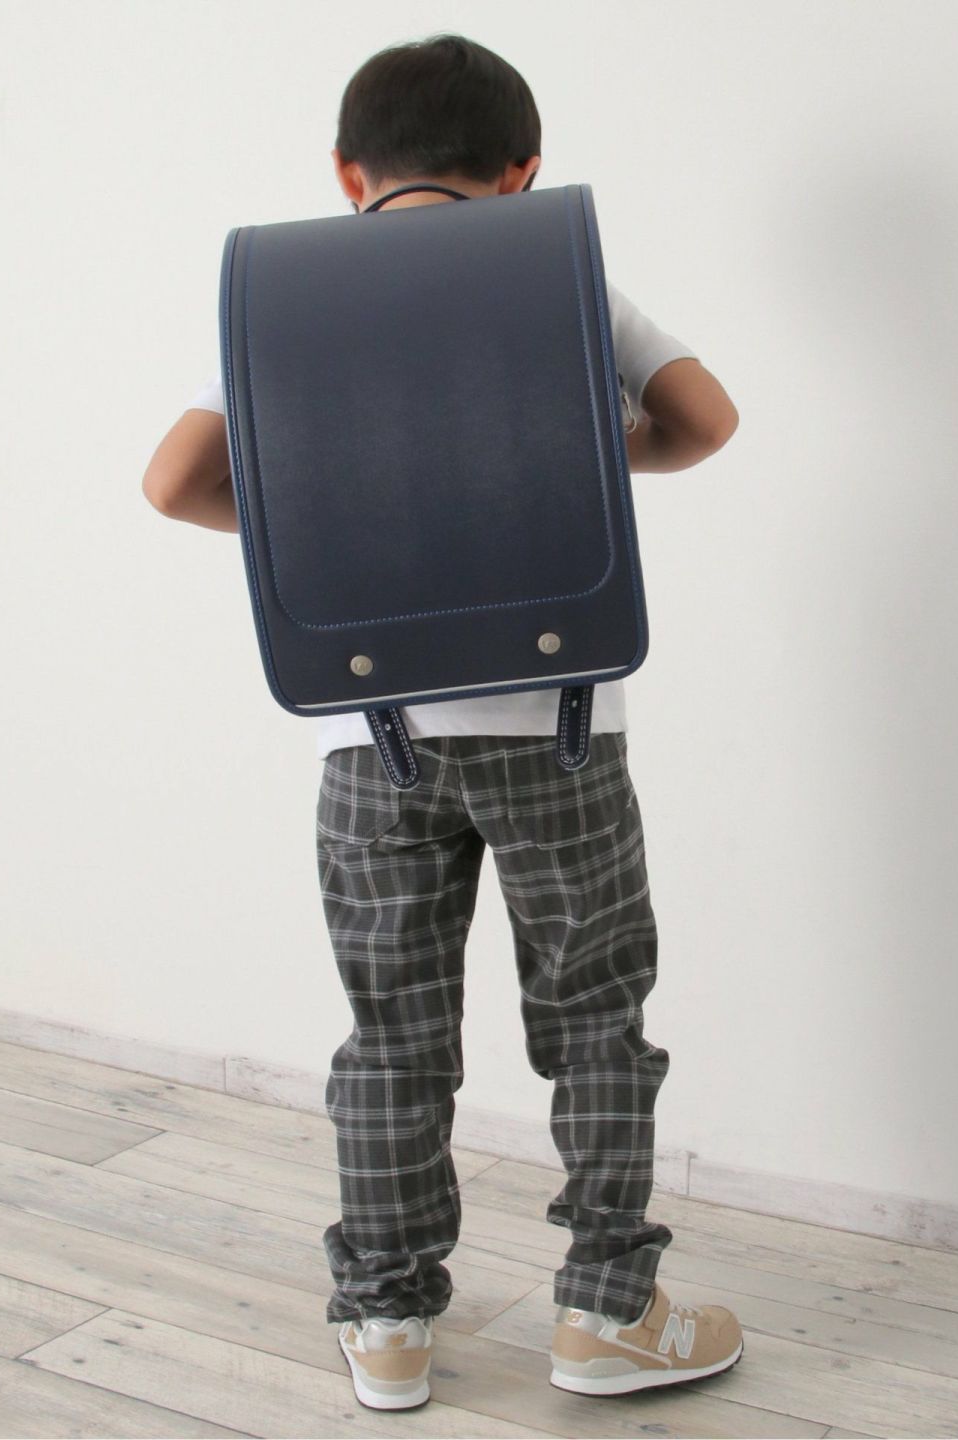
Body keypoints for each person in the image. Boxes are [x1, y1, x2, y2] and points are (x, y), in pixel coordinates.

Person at [142, 31, 743, 1413]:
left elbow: (175, 483)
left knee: (393, 1036)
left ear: (346, 172)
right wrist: (586, 467)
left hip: (372, 740)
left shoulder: (285, 300)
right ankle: (606, 1311)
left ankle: (388, 1321)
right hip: (559, 733)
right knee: (596, 1021)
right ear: (524, 173)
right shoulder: (564, 279)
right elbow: (705, 420)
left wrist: (326, 534)